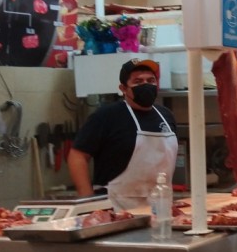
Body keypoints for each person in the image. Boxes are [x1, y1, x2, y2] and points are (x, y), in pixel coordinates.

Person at [69, 58, 178, 212]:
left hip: (160, 208)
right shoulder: (107, 116)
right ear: (124, 88)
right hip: (115, 209)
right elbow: (77, 155)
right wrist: (88, 200)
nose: (146, 85)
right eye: (138, 81)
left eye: (151, 80)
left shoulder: (166, 116)